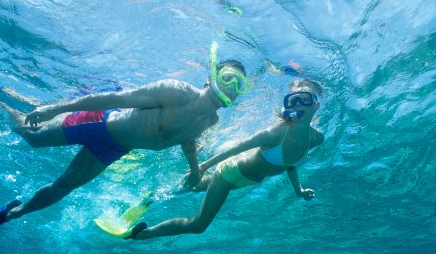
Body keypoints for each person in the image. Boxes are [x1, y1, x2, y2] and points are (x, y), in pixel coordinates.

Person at [0, 43, 250, 232]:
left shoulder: (211, 119)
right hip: (98, 123)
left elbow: (187, 142)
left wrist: (196, 172)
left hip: (114, 148)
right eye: (228, 79)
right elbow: (112, 98)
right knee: (31, 136)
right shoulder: (176, 91)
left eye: (239, 87)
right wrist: (55, 108)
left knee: (63, 188)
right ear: (211, 76)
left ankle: (12, 214)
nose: (231, 89)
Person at [129, 77, 325, 240]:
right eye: (293, 100)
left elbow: (289, 165)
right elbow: (236, 148)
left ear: (316, 105)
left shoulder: (316, 139)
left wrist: (298, 190)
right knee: (199, 225)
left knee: (189, 188)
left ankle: (153, 196)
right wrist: (202, 167)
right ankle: (141, 235)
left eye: (304, 99)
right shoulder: (275, 133)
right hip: (229, 174)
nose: (298, 104)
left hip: (243, 181)